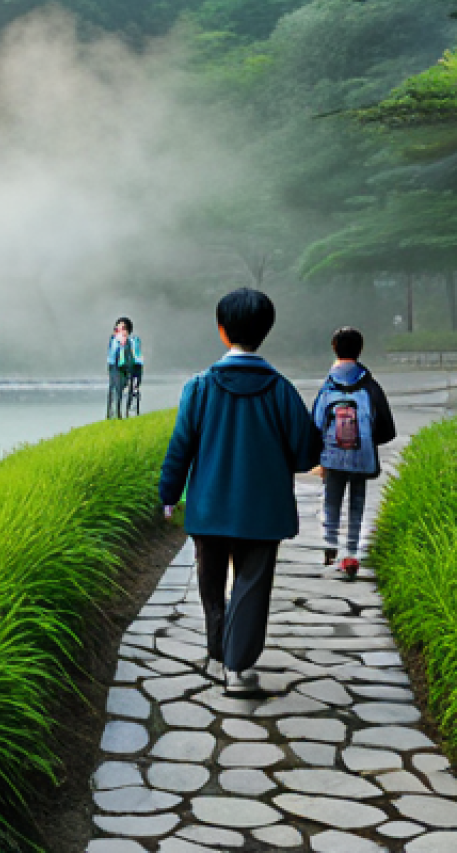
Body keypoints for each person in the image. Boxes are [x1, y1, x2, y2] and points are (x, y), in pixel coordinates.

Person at [159, 288, 322, 697]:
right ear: (266, 332)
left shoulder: (199, 388)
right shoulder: (281, 389)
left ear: (221, 330)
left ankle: (218, 650)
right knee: (251, 583)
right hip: (263, 511)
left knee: (211, 579)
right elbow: (305, 453)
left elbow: (181, 446)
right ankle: (238, 665)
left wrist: (168, 493)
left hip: (210, 506)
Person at [311, 326, 396, 581]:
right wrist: (367, 443)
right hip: (362, 456)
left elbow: (315, 423)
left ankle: (330, 545)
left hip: (333, 456)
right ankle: (351, 554)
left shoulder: (328, 386)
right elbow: (386, 428)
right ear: (360, 350)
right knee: (357, 504)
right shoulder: (370, 386)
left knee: (331, 500)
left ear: (334, 348)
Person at [106, 317, 143, 419]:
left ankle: (132, 414)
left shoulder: (134, 341)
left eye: (123, 328)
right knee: (115, 391)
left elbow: (137, 356)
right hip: (117, 368)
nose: (121, 331)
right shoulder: (114, 341)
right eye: (118, 329)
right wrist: (119, 343)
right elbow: (112, 357)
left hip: (133, 367)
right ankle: (114, 415)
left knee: (133, 391)